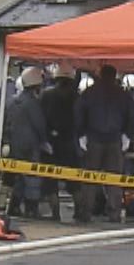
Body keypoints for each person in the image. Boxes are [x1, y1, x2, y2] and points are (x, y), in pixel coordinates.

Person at [74, 64, 134, 222]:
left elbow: (78, 113)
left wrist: (81, 134)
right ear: (114, 75)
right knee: (114, 180)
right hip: (115, 140)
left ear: (100, 75)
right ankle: (114, 212)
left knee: (90, 178)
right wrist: (128, 135)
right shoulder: (122, 94)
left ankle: (86, 212)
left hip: (94, 139)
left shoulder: (89, 93)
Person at [0, 66, 49, 219]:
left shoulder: (12, 101)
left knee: (17, 178)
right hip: (30, 146)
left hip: (14, 145)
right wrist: (45, 141)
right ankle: (31, 208)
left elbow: (7, 123)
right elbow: (39, 124)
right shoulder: (33, 103)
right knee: (32, 178)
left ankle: (14, 206)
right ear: (37, 85)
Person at [41, 71, 81, 221]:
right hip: (70, 142)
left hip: (51, 143)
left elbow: (42, 117)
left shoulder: (46, 96)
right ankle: (80, 211)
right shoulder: (76, 97)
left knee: (51, 181)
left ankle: (55, 213)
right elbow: (80, 118)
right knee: (75, 180)